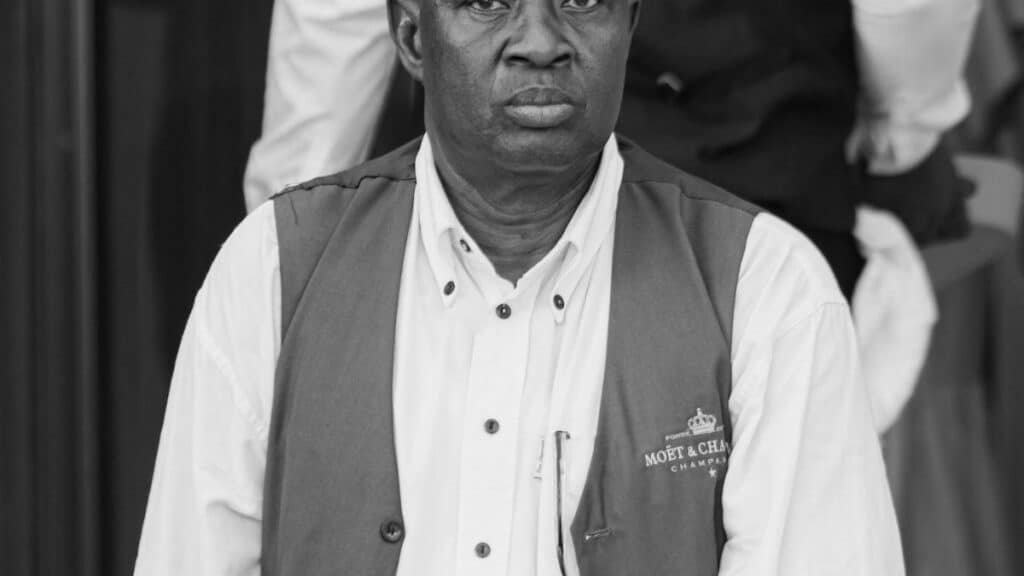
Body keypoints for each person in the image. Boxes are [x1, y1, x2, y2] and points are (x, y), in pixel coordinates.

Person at [137, 0, 903, 574]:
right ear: (410, 35)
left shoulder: (768, 293)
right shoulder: (272, 274)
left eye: (581, 0)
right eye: (486, 0)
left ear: (630, 26)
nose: (539, 41)